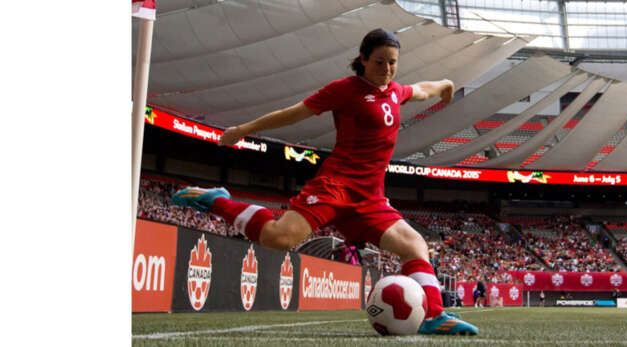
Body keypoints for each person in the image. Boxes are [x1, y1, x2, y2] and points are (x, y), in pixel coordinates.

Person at [170, 28, 477, 335]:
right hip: (336, 186)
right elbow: (292, 114)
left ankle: (434, 316)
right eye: (379, 62)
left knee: (415, 245)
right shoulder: (345, 89)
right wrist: (242, 130)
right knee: (278, 237)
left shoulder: (396, 92)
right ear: (363, 59)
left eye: (392, 62)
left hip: (370, 197)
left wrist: (445, 85)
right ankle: (216, 200)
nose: (386, 69)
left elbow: (421, 89)